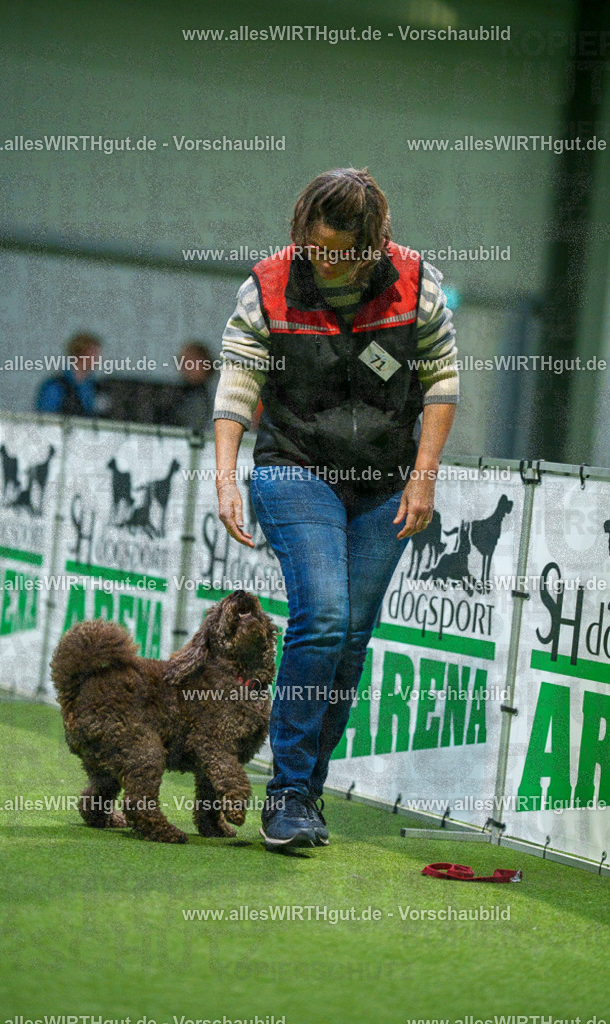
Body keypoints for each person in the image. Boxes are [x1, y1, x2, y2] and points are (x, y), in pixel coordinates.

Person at [213, 168, 459, 850]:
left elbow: (441, 380)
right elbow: (238, 380)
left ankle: (305, 794)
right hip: (295, 468)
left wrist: (423, 478)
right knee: (321, 618)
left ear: (374, 243)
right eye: (316, 247)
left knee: (350, 637)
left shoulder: (418, 284)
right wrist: (227, 476)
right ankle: (286, 791)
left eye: (343, 251)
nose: (328, 262)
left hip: (385, 483)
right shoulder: (266, 285)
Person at [36, 332, 107, 417]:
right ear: (80, 354)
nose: (97, 359)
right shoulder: (56, 387)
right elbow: (45, 419)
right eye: (93, 353)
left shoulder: (96, 388)